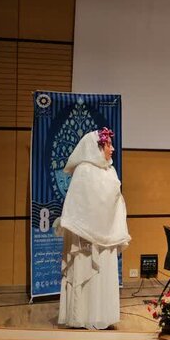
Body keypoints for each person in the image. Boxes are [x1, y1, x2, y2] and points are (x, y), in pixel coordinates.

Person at [55, 127, 131, 329]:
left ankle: (103, 316)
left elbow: (113, 199)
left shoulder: (109, 170)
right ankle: (81, 317)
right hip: (86, 239)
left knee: (103, 275)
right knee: (86, 272)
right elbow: (81, 206)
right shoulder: (84, 171)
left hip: (106, 234)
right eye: (108, 145)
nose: (112, 149)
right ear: (97, 148)